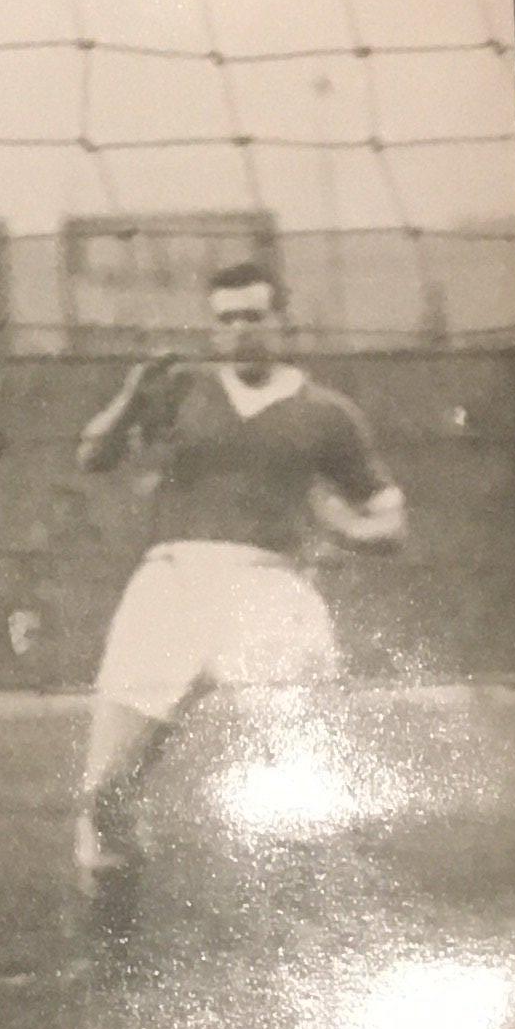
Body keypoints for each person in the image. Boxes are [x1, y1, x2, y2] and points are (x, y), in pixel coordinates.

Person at [70, 259, 406, 928]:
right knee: (106, 789)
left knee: (299, 780)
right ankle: (111, 931)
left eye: (253, 316)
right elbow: (93, 458)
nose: (239, 331)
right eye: (226, 319)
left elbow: (392, 522)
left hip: (268, 587)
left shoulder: (328, 415)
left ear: (283, 320)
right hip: (171, 581)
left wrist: (340, 526)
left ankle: (321, 937)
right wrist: (131, 396)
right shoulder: (178, 391)